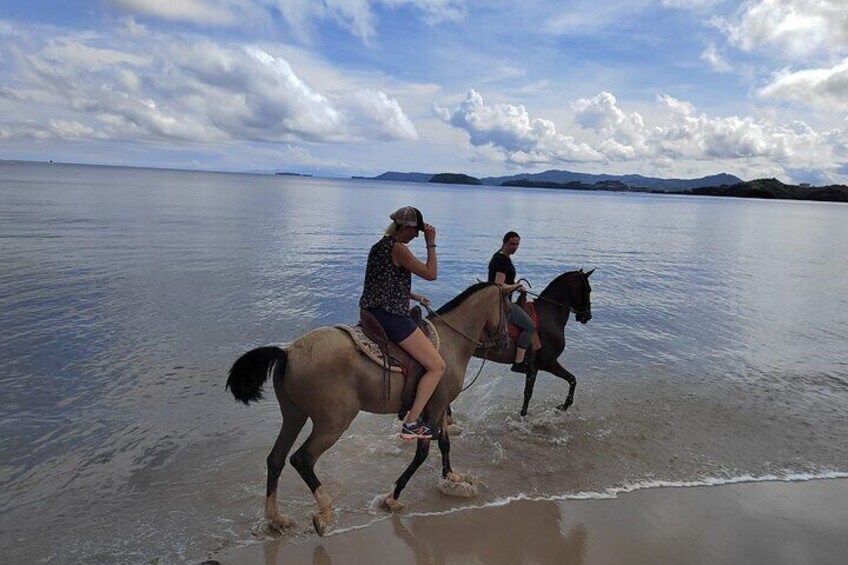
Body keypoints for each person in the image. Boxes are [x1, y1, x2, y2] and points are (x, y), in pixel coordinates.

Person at [360, 206, 445, 440]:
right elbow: (431, 274)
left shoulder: (378, 247)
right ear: (404, 227)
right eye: (415, 231)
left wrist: (413, 296)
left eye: (420, 232)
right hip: (390, 316)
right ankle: (411, 422)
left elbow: (382, 282)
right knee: (438, 366)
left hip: (370, 312)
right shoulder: (399, 249)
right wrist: (431, 242)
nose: (416, 236)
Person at [487, 231, 536, 373]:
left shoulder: (499, 257)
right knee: (530, 327)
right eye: (512, 244)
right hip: (502, 303)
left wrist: (516, 285)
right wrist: (516, 286)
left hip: (499, 300)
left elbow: (504, 281)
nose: (515, 247)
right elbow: (498, 286)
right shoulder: (503, 260)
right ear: (504, 242)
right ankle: (519, 362)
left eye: (517, 245)